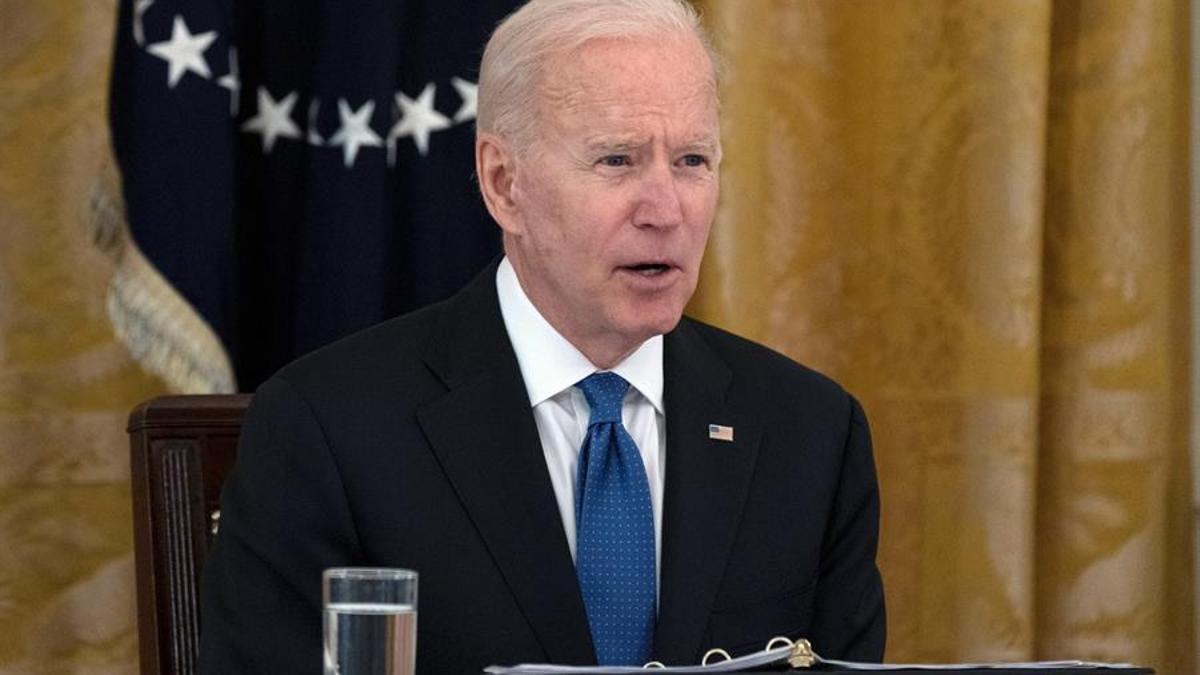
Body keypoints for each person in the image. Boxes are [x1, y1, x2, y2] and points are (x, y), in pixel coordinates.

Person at [198, 0, 886, 672]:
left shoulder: (812, 434)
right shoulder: (328, 430)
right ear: (504, 184)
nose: (666, 209)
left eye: (692, 161)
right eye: (617, 160)